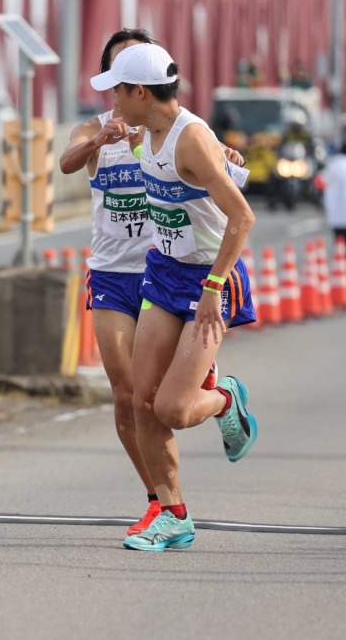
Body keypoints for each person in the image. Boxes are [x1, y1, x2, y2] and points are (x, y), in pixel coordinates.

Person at [60, 29, 233, 537]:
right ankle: (161, 500)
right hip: (114, 271)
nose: (117, 86)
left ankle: (221, 397)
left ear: (143, 86)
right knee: (128, 392)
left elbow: (214, 169)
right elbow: (68, 163)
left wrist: (229, 161)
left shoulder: (170, 130)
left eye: (126, 75)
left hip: (166, 269)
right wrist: (99, 140)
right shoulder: (95, 128)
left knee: (165, 402)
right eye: (113, 70)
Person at [90, 43, 258, 551]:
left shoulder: (190, 140)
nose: (113, 100)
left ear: (141, 91)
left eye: (119, 90)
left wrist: (212, 286)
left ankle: (226, 397)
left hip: (209, 279)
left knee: (175, 410)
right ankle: (174, 515)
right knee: (142, 401)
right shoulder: (145, 130)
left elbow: (243, 217)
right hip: (162, 272)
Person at [321, 141, 346, 241]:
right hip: (343, 212)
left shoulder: (332, 164)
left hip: (333, 214)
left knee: (339, 245)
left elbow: (320, 181)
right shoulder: (343, 167)